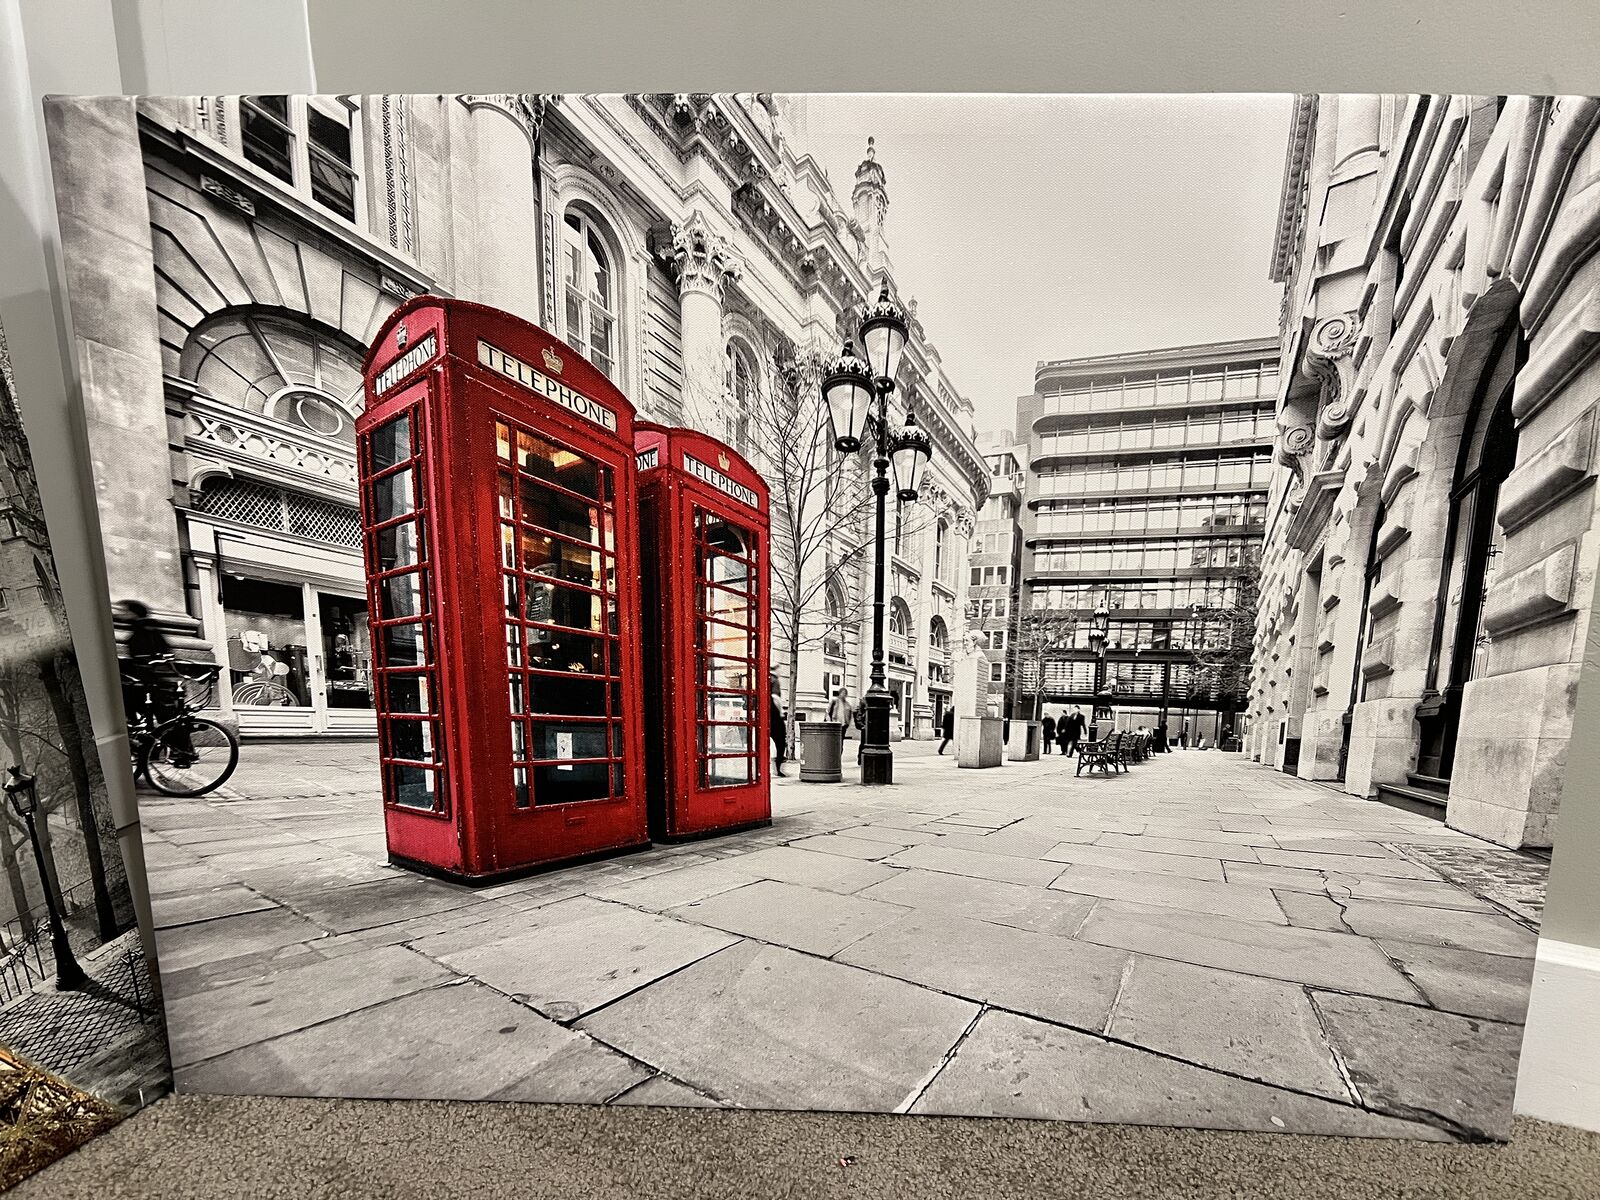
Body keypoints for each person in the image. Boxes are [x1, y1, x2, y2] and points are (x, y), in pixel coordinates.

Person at [117, 599, 195, 762]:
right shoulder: (146, 628)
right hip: (156, 682)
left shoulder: (145, 629)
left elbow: (148, 658)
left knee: (164, 717)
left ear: (134, 613)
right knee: (164, 717)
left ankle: (179, 751)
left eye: (125, 611)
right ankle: (162, 749)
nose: (121, 614)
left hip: (156, 683)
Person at [769, 678, 787, 777]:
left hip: (767, 725)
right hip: (776, 725)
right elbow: (780, 713)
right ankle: (778, 769)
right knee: (780, 747)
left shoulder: (768, 697)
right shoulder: (775, 698)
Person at [828, 687, 852, 758]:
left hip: (843, 725)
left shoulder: (847, 704)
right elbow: (828, 711)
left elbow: (850, 714)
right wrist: (830, 721)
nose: (844, 695)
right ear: (840, 693)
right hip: (835, 724)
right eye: (843, 693)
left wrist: (848, 723)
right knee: (834, 741)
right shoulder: (834, 701)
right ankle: (833, 755)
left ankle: (838, 756)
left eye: (845, 694)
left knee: (841, 742)